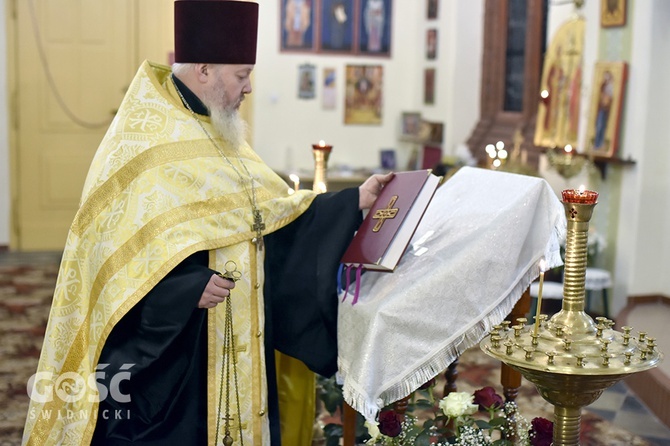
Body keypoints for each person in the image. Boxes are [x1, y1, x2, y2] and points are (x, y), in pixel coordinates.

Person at [22, 1, 392, 445]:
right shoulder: (145, 141)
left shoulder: (218, 129)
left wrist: (353, 202)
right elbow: (108, 263)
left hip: (235, 345)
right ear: (203, 70)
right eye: (240, 75)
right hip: (176, 367)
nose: (248, 87)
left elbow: (266, 215)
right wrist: (183, 288)